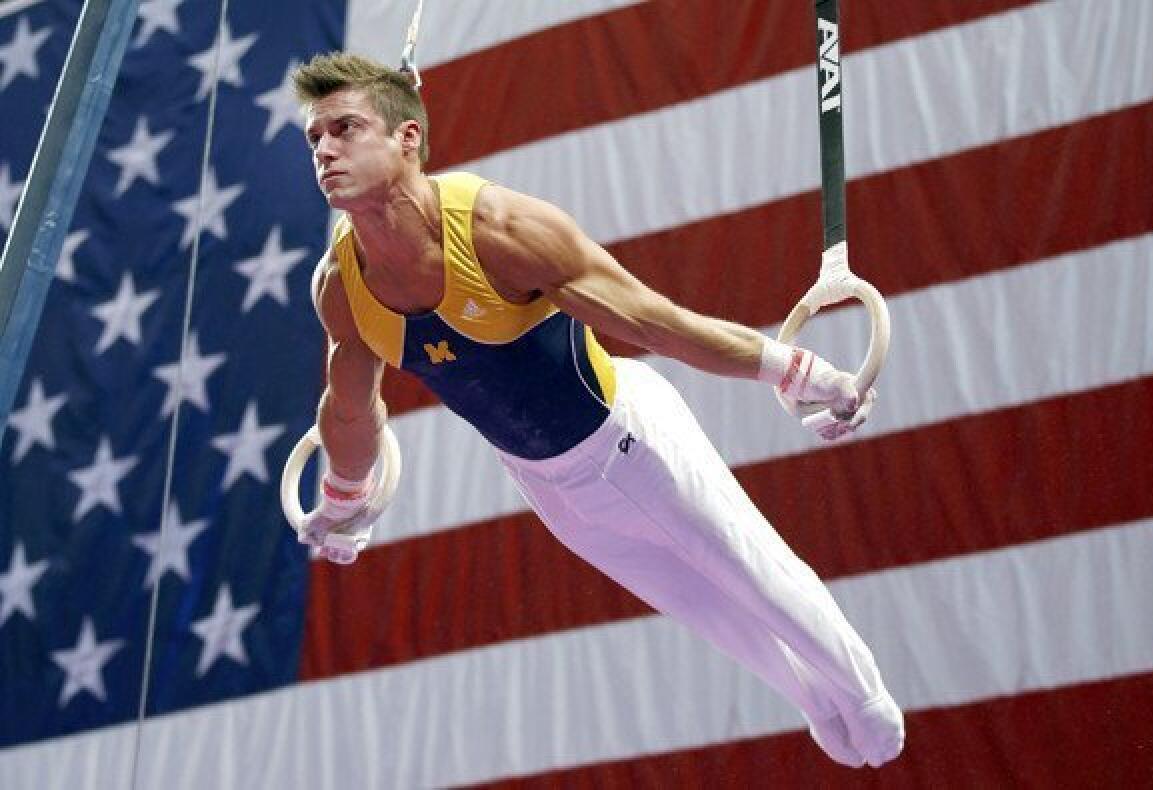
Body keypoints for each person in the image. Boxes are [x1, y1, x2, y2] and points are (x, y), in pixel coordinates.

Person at [291, 52, 904, 769]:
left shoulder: (499, 231)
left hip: (630, 439)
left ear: (407, 139)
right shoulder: (341, 284)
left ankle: (865, 698)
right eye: (314, 138)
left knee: (751, 572)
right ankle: (821, 704)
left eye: (345, 128)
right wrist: (343, 497)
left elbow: (654, 322)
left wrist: (793, 368)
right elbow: (352, 410)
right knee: (707, 611)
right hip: (550, 489)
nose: (325, 149)